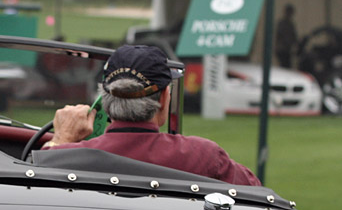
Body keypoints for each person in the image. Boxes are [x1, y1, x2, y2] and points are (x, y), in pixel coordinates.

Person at [45, 45, 261, 186]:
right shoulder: (204, 156)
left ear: (105, 101)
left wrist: (60, 141)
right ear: (164, 99)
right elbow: (256, 192)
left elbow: (36, 186)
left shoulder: (64, 158)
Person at [275, 4, 298, 68]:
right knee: (285, 66)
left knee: (287, 66)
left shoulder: (290, 24)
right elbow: (280, 35)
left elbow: (294, 37)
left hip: (287, 50)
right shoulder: (282, 23)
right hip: (283, 49)